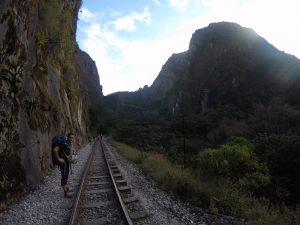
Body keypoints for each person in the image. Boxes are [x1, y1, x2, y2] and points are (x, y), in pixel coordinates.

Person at [52, 132, 75, 198]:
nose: (71, 139)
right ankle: (66, 193)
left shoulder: (69, 143)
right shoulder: (64, 143)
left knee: (66, 175)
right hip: (63, 163)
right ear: (68, 137)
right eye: (70, 137)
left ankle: (67, 188)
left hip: (66, 162)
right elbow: (55, 150)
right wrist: (59, 159)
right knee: (64, 176)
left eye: (73, 138)